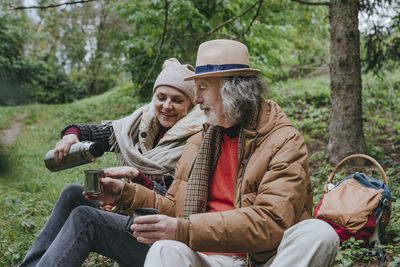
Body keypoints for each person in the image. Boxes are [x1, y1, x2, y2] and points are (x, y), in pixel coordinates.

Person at [20, 40, 339, 267]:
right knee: (165, 251)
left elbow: (270, 222)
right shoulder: (203, 139)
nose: (196, 100)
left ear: (231, 90)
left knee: (319, 233)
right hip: (203, 254)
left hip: (260, 258)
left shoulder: (283, 141)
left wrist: (183, 229)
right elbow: (174, 205)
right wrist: (126, 193)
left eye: (202, 89)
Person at [19, 58, 204, 267]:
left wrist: (137, 179)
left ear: (190, 105)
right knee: (72, 193)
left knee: (84, 217)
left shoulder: (195, 141)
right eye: (161, 97)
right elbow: (97, 133)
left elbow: (174, 206)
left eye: (177, 100)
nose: (166, 106)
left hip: (160, 237)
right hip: (130, 212)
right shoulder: (142, 123)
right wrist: (72, 135)